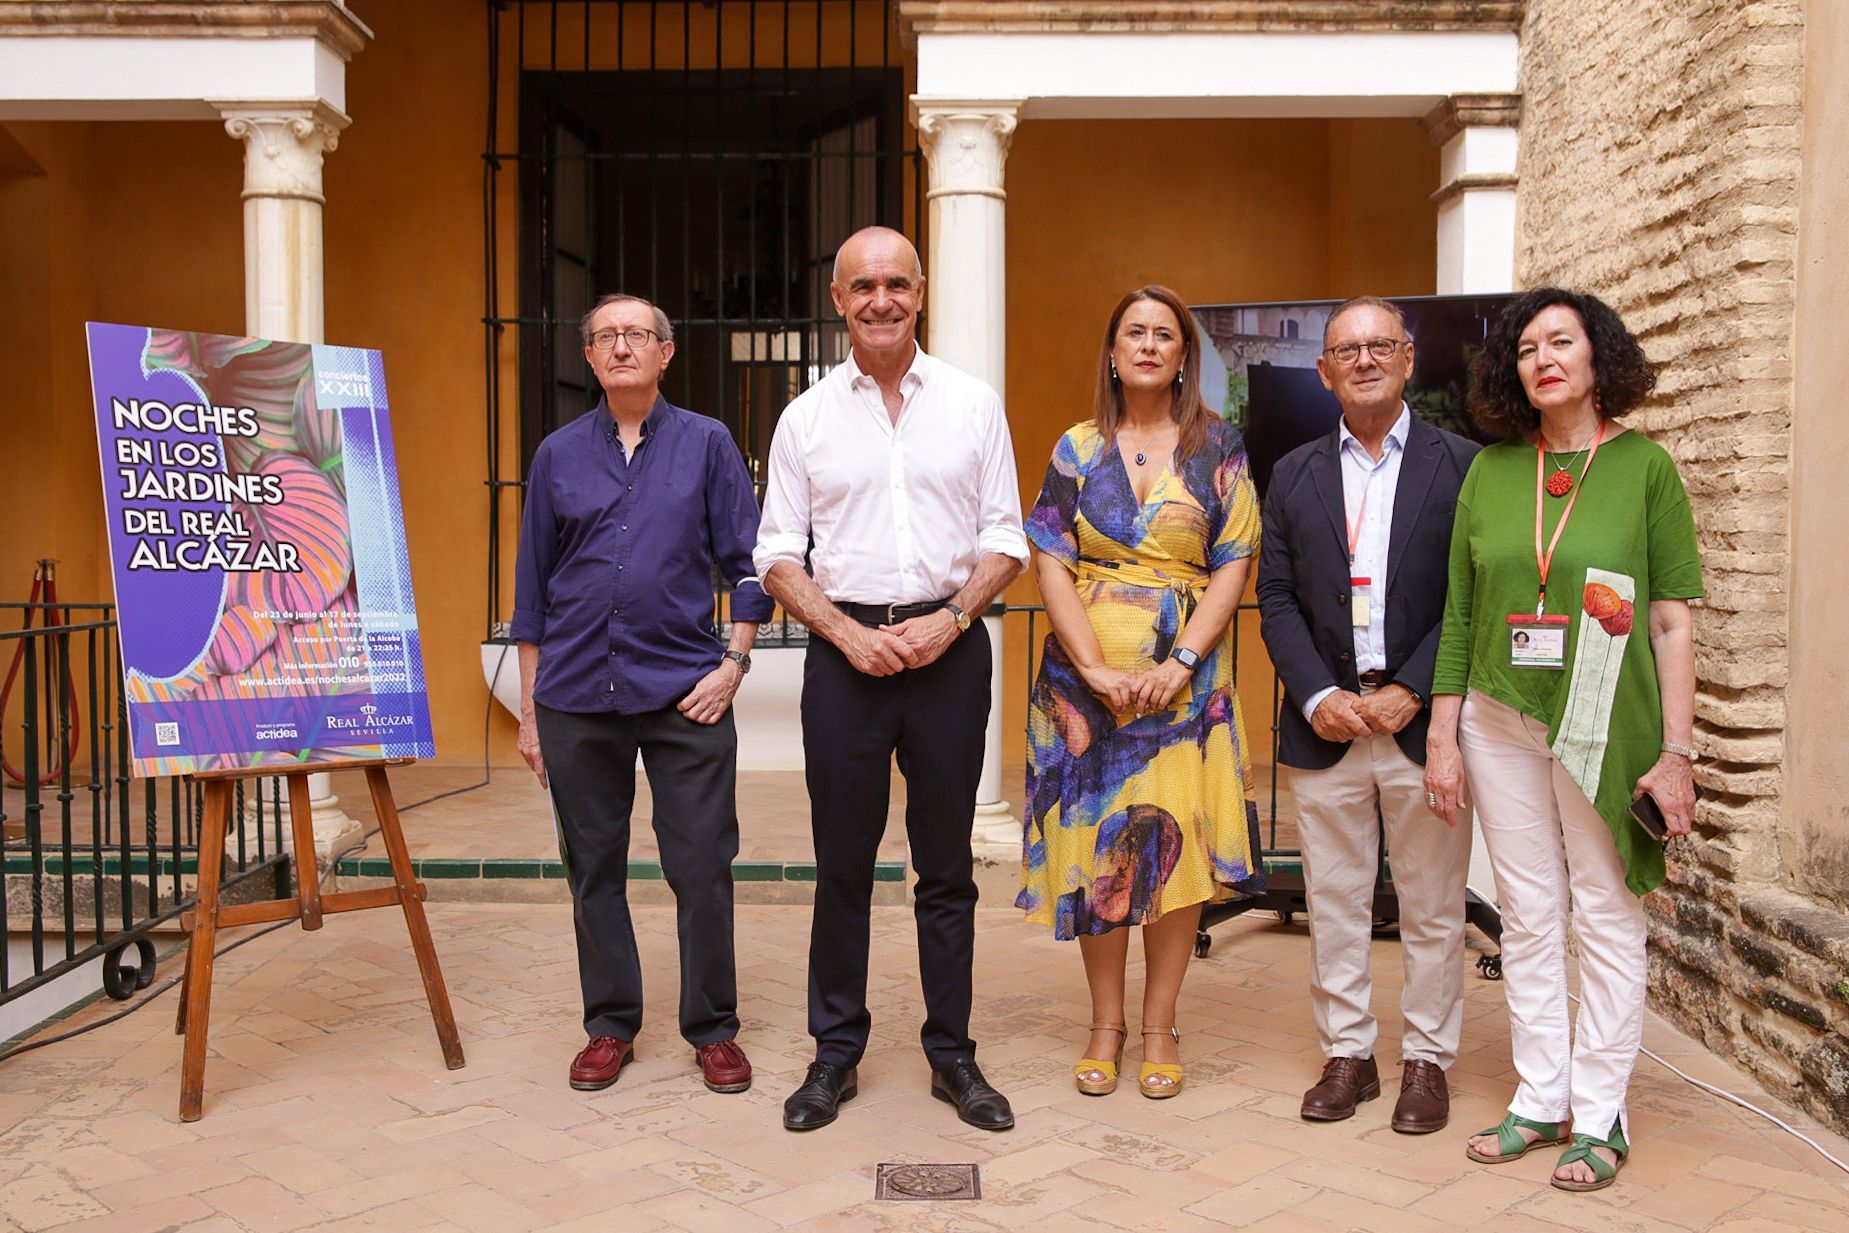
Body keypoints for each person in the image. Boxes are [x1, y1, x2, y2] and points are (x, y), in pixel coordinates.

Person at [1426, 287, 1702, 1192]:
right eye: (1527, 347)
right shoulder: (1491, 471)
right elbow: (1462, 613)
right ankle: (1541, 1095)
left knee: (1606, 910)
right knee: (1529, 911)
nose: (1542, 358)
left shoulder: (1644, 468)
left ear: (1596, 359)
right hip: (1498, 718)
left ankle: (1602, 1111)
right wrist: (1442, 733)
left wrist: (1677, 750)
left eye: (1562, 342)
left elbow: (1668, 621)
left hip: (1600, 722)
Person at [754, 226, 1028, 1133]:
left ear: (920, 293)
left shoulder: (971, 403)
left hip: (949, 651)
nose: (880, 299)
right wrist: (842, 631)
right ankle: (835, 1051)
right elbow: (777, 554)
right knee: (841, 865)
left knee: (946, 868)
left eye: (896, 284)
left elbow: (1004, 539)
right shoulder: (805, 418)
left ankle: (952, 1052)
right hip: (845, 661)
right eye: (862, 285)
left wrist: (950, 620)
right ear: (838, 299)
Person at [512, 293, 770, 1095]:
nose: (621, 346)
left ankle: (712, 1029)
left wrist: (733, 664)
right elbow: (532, 592)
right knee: (594, 869)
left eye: (637, 335)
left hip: (686, 692)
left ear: (665, 352)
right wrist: (530, 713)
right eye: (605, 337)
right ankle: (609, 1025)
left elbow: (748, 565)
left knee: (701, 865)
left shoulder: (707, 444)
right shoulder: (557, 455)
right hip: (575, 696)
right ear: (589, 358)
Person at [1020, 285, 1264, 1101]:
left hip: (1182, 697)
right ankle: (1104, 1024)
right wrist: (1090, 666)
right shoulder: (1077, 446)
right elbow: (1049, 555)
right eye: (1136, 332)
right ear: (1114, 351)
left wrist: (1183, 661)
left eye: (1166, 334)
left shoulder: (1217, 445)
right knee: (1100, 846)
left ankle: (1159, 1024)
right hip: (1084, 688)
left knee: (1169, 850)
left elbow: (1233, 560)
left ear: (1183, 355)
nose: (1150, 345)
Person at [1256, 296, 1480, 1132]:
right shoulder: (1292, 472)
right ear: (1323, 371)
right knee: (1336, 900)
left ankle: (1425, 1059)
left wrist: (1412, 687)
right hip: (1328, 726)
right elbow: (1274, 595)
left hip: (1421, 722)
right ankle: (1347, 1054)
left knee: (1430, 904)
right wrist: (1321, 695)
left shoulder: (1462, 466)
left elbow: (1470, 594)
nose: (1362, 359)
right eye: (1345, 350)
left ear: (1408, 357)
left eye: (1378, 344)